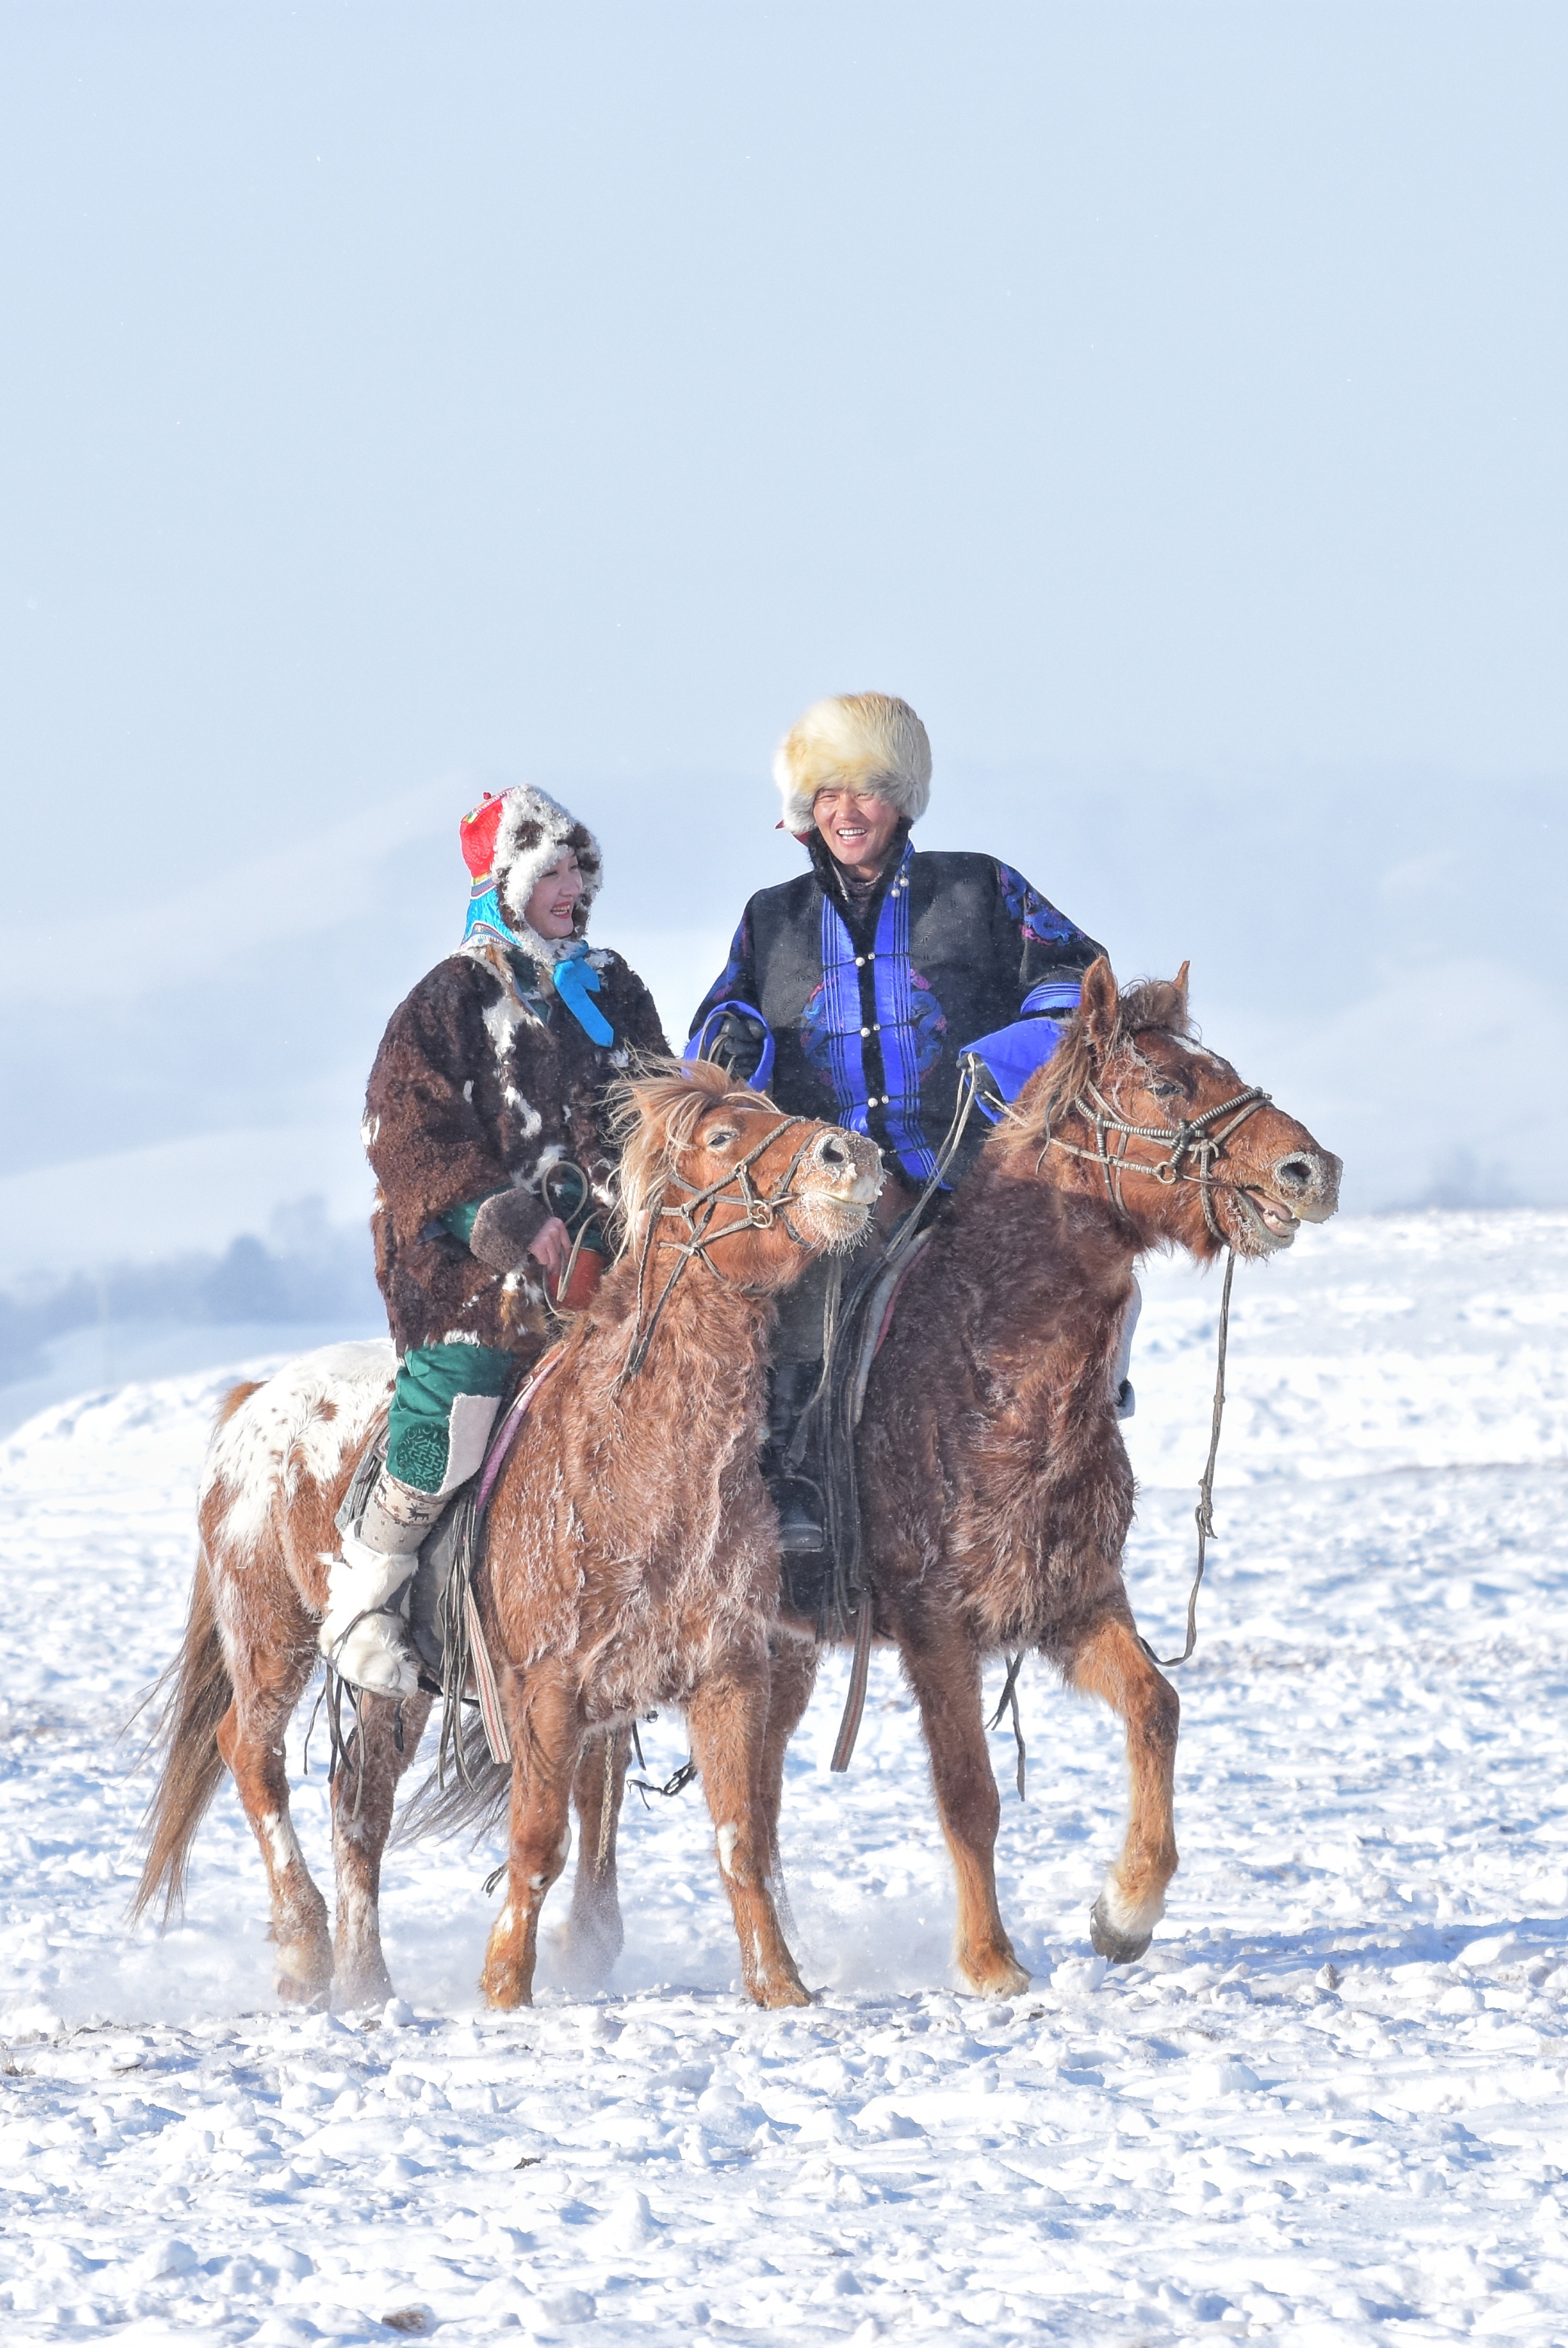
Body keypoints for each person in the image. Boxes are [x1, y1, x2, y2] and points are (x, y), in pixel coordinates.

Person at [689, 690, 1106, 1555]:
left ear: (904, 800)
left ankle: (1064, 1479)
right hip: (839, 1181)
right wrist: (739, 1043)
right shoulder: (772, 920)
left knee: (1076, 1281)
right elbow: (721, 1037)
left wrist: (1012, 1054)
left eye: (868, 789)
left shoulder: (980, 886)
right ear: (806, 808)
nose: (847, 811)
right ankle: (799, 1488)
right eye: (828, 793)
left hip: (975, 1169)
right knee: (813, 1285)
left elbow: (1080, 983)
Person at [319, 783, 669, 1697]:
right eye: (551, 870)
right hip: (478, 1273)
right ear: (506, 882)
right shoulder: (449, 999)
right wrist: (505, 1222)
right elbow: (401, 1135)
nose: (572, 888)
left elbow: (662, 1110)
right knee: (463, 1390)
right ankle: (372, 1592)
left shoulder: (616, 992)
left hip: (613, 1266)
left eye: (580, 871)